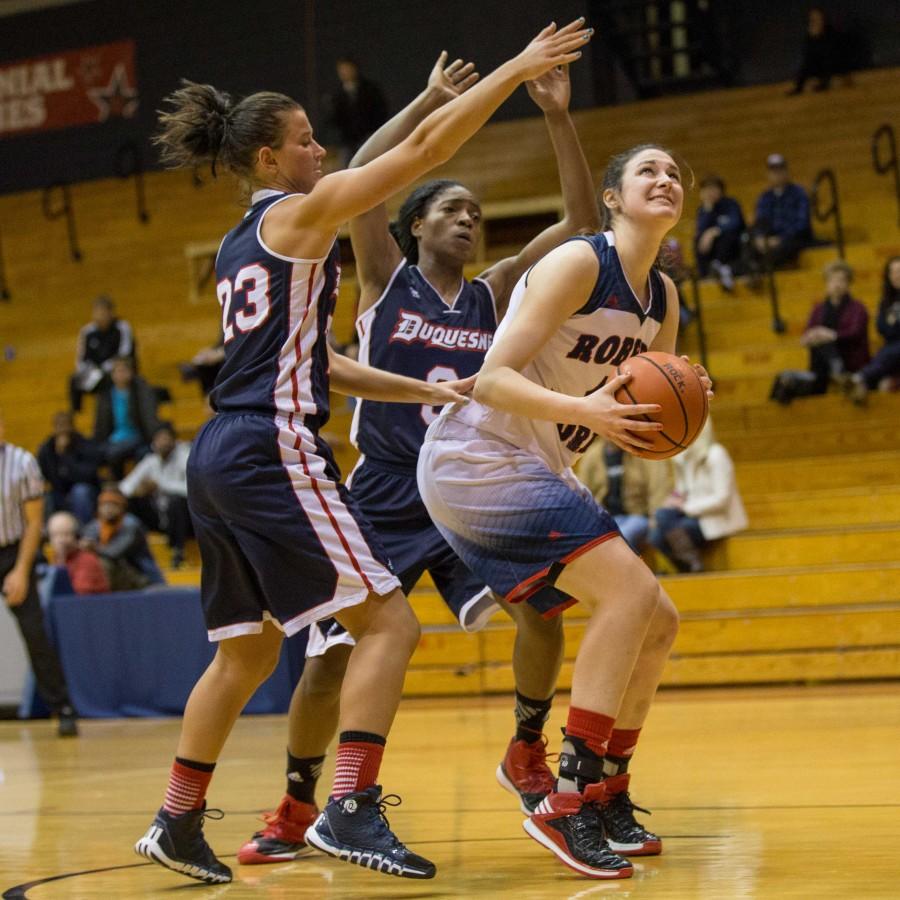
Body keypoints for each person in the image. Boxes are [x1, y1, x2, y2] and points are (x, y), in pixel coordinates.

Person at [133, 20, 593, 886]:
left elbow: (326, 364)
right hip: (272, 448)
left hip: (220, 453)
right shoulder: (303, 215)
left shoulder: (246, 243)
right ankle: (346, 806)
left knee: (246, 653)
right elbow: (421, 147)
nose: (318, 152)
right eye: (305, 141)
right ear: (268, 161)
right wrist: (517, 69)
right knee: (389, 624)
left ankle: (177, 819)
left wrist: (428, 390)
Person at [417, 143, 712, 878]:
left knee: (659, 620)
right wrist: (583, 409)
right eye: (648, 170)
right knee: (631, 592)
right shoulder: (581, 262)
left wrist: (684, 407)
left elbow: (644, 421)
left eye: (674, 173)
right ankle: (566, 800)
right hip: (477, 455)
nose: (665, 179)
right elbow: (490, 381)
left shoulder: (665, 299)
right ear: (611, 197)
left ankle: (608, 790)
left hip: (539, 460)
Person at [0, 408, 78, 737]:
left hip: (13, 550)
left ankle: (62, 707)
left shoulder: (22, 462)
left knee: (34, 631)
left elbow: (34, 523)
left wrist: (20, 569)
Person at [650, 419, 747, 573]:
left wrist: (686, 507)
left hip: (715, 517)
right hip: (693, 514)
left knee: (664, 530)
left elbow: (722, 499)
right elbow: (683, 490)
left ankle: (691, 563)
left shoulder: (716, 454)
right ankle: (689, 563)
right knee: (658, 526)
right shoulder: (682, 458)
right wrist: (674, 500)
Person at [770, 260, 869, 405]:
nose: (837, 284)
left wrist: (831, 335)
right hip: (821, 368)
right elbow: (807, 335)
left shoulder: (857, 308)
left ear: (848, 283)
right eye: (832, 280)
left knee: (825, 342)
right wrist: (811, 337)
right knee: (783, 379)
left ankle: (840, 374)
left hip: (850, 361)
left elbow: (855, 333)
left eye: (841, 280)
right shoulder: (819, 309)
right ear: (826, 283)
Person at [577, 441, 673, 555]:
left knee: (622, 538)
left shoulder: (643, 452)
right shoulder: (592, 454)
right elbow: (581, 492)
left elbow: (658, 489)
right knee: (586, 543)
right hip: (606, 518)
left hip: (639, 517)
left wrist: (655, 519)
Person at [120, 422, 192, 568]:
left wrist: (160, 485)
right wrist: (139, 490)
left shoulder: (185, 456)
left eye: (166, 438)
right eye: (159, 439)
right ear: (153, 442)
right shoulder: (150, 460)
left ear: (174, 440)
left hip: (186, 520)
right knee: (130, 500)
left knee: (175, 501)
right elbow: (124, 487)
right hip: (159, 517)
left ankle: (178, 552)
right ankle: (135, 552)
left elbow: (193, 489)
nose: (162, 443)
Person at [82, 488, 165, 590]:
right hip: (119, 576)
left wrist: (93, 547)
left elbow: (114, 552)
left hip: (142, 578)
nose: (108, 508)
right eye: (104, 505)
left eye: (113, 504)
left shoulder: (132, 525)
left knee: (104, 563)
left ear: (122, 507)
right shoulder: (94, 525)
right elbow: (84, 546)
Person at [845, 256, 900, 405]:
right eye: (893, 272)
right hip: (892, 350)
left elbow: (890, 328)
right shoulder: (886, 300)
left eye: (899, 271)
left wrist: (893, 324)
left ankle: (860, 377)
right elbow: (881, 327)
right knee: (884, 378)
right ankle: (862, 383)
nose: (897, 276)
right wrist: (893, 326)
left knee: (892, 350)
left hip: (894, 349)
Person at [93, 356, 161, 478]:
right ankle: (118, 484)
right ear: (112, 374)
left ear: (131, 372)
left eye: (123, 370)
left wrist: (154, 436)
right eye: (117, 371)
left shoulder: (141, 390)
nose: (120, 375)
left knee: (135, 453)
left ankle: (127, 487)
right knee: (101, 452)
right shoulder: (105, 395)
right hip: (114, 438)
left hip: (137, 435)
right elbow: (100, 424)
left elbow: (149, 417)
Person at [69, 294, 136, 412]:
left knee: (111, 379)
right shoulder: (87, 331)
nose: (100, 317)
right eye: (97, 313)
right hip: (93, 372)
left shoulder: (122, 327)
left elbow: (125, 352)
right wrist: (89, 370)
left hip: (114, 371)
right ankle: (77, 412)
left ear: (111, 312)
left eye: (103, 313)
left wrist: (106, 368)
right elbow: (81, 358)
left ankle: (109, 410)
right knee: (74, 380)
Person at [748, 154, 813, 272]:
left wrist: (780, 239)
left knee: (788, 246)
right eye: (773, 171)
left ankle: (759, 270)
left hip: (793, 238)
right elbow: (761, 220)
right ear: (768, 175)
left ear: (786, 172)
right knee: (747, 241)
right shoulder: (765, 197)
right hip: (770, 239)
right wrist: (760, 237)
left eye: (780, 170)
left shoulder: (799, 193)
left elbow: (802, 224)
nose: (777, 175)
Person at [37, 411, 101, 525]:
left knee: (80, 492)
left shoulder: (85, 444)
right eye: (58, 426)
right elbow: (41, 476)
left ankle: (84, 529)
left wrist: (65, 456)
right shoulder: (47, 449)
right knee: (44, 498)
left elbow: (89, 475)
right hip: (58, 492)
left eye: (65, 425)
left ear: (72, 427)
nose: (62, 430)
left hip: (86, 489)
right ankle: (50, 532)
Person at [328, 56, 389, 168]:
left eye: (347, 69)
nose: (345, 72)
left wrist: (373, 131)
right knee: (346, 169)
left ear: (355, 69)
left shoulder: (370, 89)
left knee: (370, 167)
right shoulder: (336, 93)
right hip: (347, 140)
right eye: (342, 70)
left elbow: (380, 111)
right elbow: (333, 118)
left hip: (367, 137)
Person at [694, 174, 745, 291]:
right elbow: (701, 231)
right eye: (706, 189)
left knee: (726, 236)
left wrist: (714, 231)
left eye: (713, 188)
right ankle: (706, 274)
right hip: (712, 250)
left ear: (721, 190)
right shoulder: (704, 209)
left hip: (734, 249)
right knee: (698, 240)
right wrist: (707, 210)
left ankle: (721, 267)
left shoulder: (731, 204)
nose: (710, 192)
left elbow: (736, 223)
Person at [46, 511, 110, 595]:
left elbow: (76, 597)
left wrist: (61, 562)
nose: (61, 540)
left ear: (76, 536)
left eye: (66, 534)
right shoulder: (51, 559)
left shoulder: (87, 560)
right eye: (56, 535)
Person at [787, 7, 838, 95]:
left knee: (828, 61)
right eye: (813, 18)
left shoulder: (829, 31)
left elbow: (831, 50)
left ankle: (824, 84)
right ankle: (798, 88)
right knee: (805, 66)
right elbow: (808, 52)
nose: (815, 20)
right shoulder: (810, 34)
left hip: (829, 63)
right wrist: (813, 37)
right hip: (815, 64)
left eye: (817, 17)